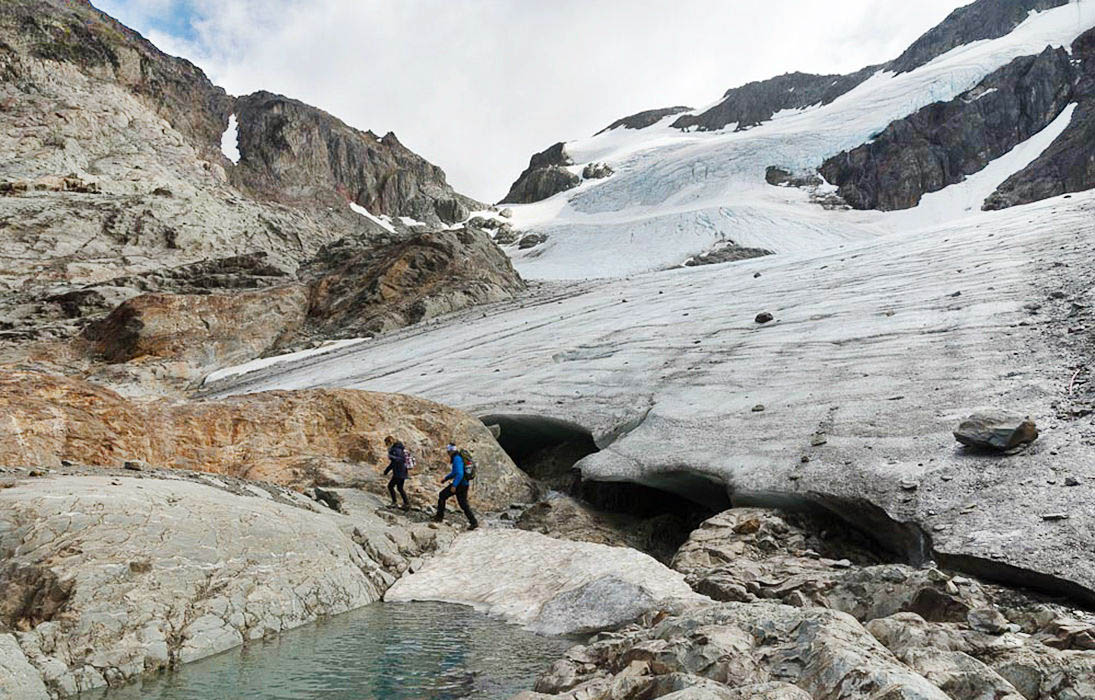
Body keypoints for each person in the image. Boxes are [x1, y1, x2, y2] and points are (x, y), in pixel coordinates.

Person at [434, 443, 478, 529]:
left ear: (450, 451)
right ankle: (473, 522)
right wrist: (446, 479)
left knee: (442, 495)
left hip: (459, 484)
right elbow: (455, 472)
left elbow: (459, 473)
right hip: (464, 484)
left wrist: (454, 485)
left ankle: (439, 517)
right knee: (463, 504)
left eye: (448, 451)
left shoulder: (456, 459)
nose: (447, 453)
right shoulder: (458, 457)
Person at [383, 437, 410, 510]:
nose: (386, 445)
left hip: (398, 472)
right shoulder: (400, 448)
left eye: (386, 443)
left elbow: (395, 462)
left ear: (389, 442)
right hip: (403, 471)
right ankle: (406, 504)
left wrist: (386, 471)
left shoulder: (395, 450)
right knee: (400, 488)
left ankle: (394, 502)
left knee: (390, 486)